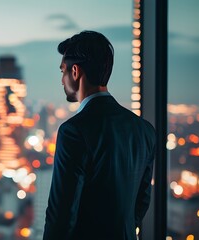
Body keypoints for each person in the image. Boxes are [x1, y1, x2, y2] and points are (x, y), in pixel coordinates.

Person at [43, 30, 156, 240]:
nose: (61, 80)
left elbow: (61, 216)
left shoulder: (73, 131)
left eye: (62, 71)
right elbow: (141, 204)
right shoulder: (144, 130)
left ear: (75, 72)